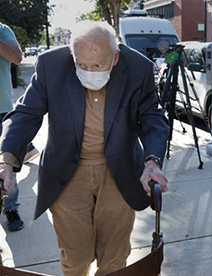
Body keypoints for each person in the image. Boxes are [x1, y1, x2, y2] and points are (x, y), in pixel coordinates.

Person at [0, 21, 169, 276]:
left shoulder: (138, 68)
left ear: (115, 57)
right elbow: (26, 113)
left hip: (119, 170)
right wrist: (6, 159)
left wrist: (152, 162)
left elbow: (152, 117)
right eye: (81, 64)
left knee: (114, 257)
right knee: (75, 258)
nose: (89, 71)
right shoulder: (51, 65)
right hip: (67, 171)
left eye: (98, 65)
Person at [0, 21, 27, 231]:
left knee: (6, 163)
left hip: (1, 108)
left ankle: (10, 207)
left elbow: (17, 57)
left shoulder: (2, 30)